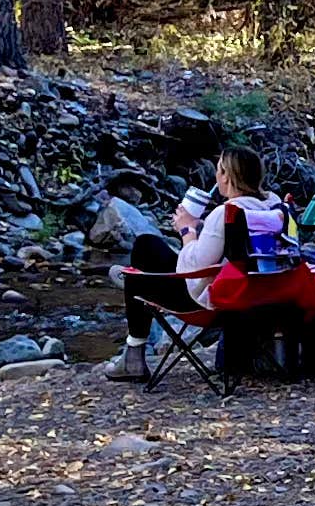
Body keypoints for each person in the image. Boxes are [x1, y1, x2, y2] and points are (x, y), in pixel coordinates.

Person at [112, 148, 287, 375]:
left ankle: (133, 354)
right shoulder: (274, 206)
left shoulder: (226, 212)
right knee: (146, 259)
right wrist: (203, 229)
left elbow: (195, 267)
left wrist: (187, 229)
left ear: (226, 176)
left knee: (145, 247)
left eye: (218, 170)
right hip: (262, 296)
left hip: (213, 302)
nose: (216, 176)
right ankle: (133, 280)